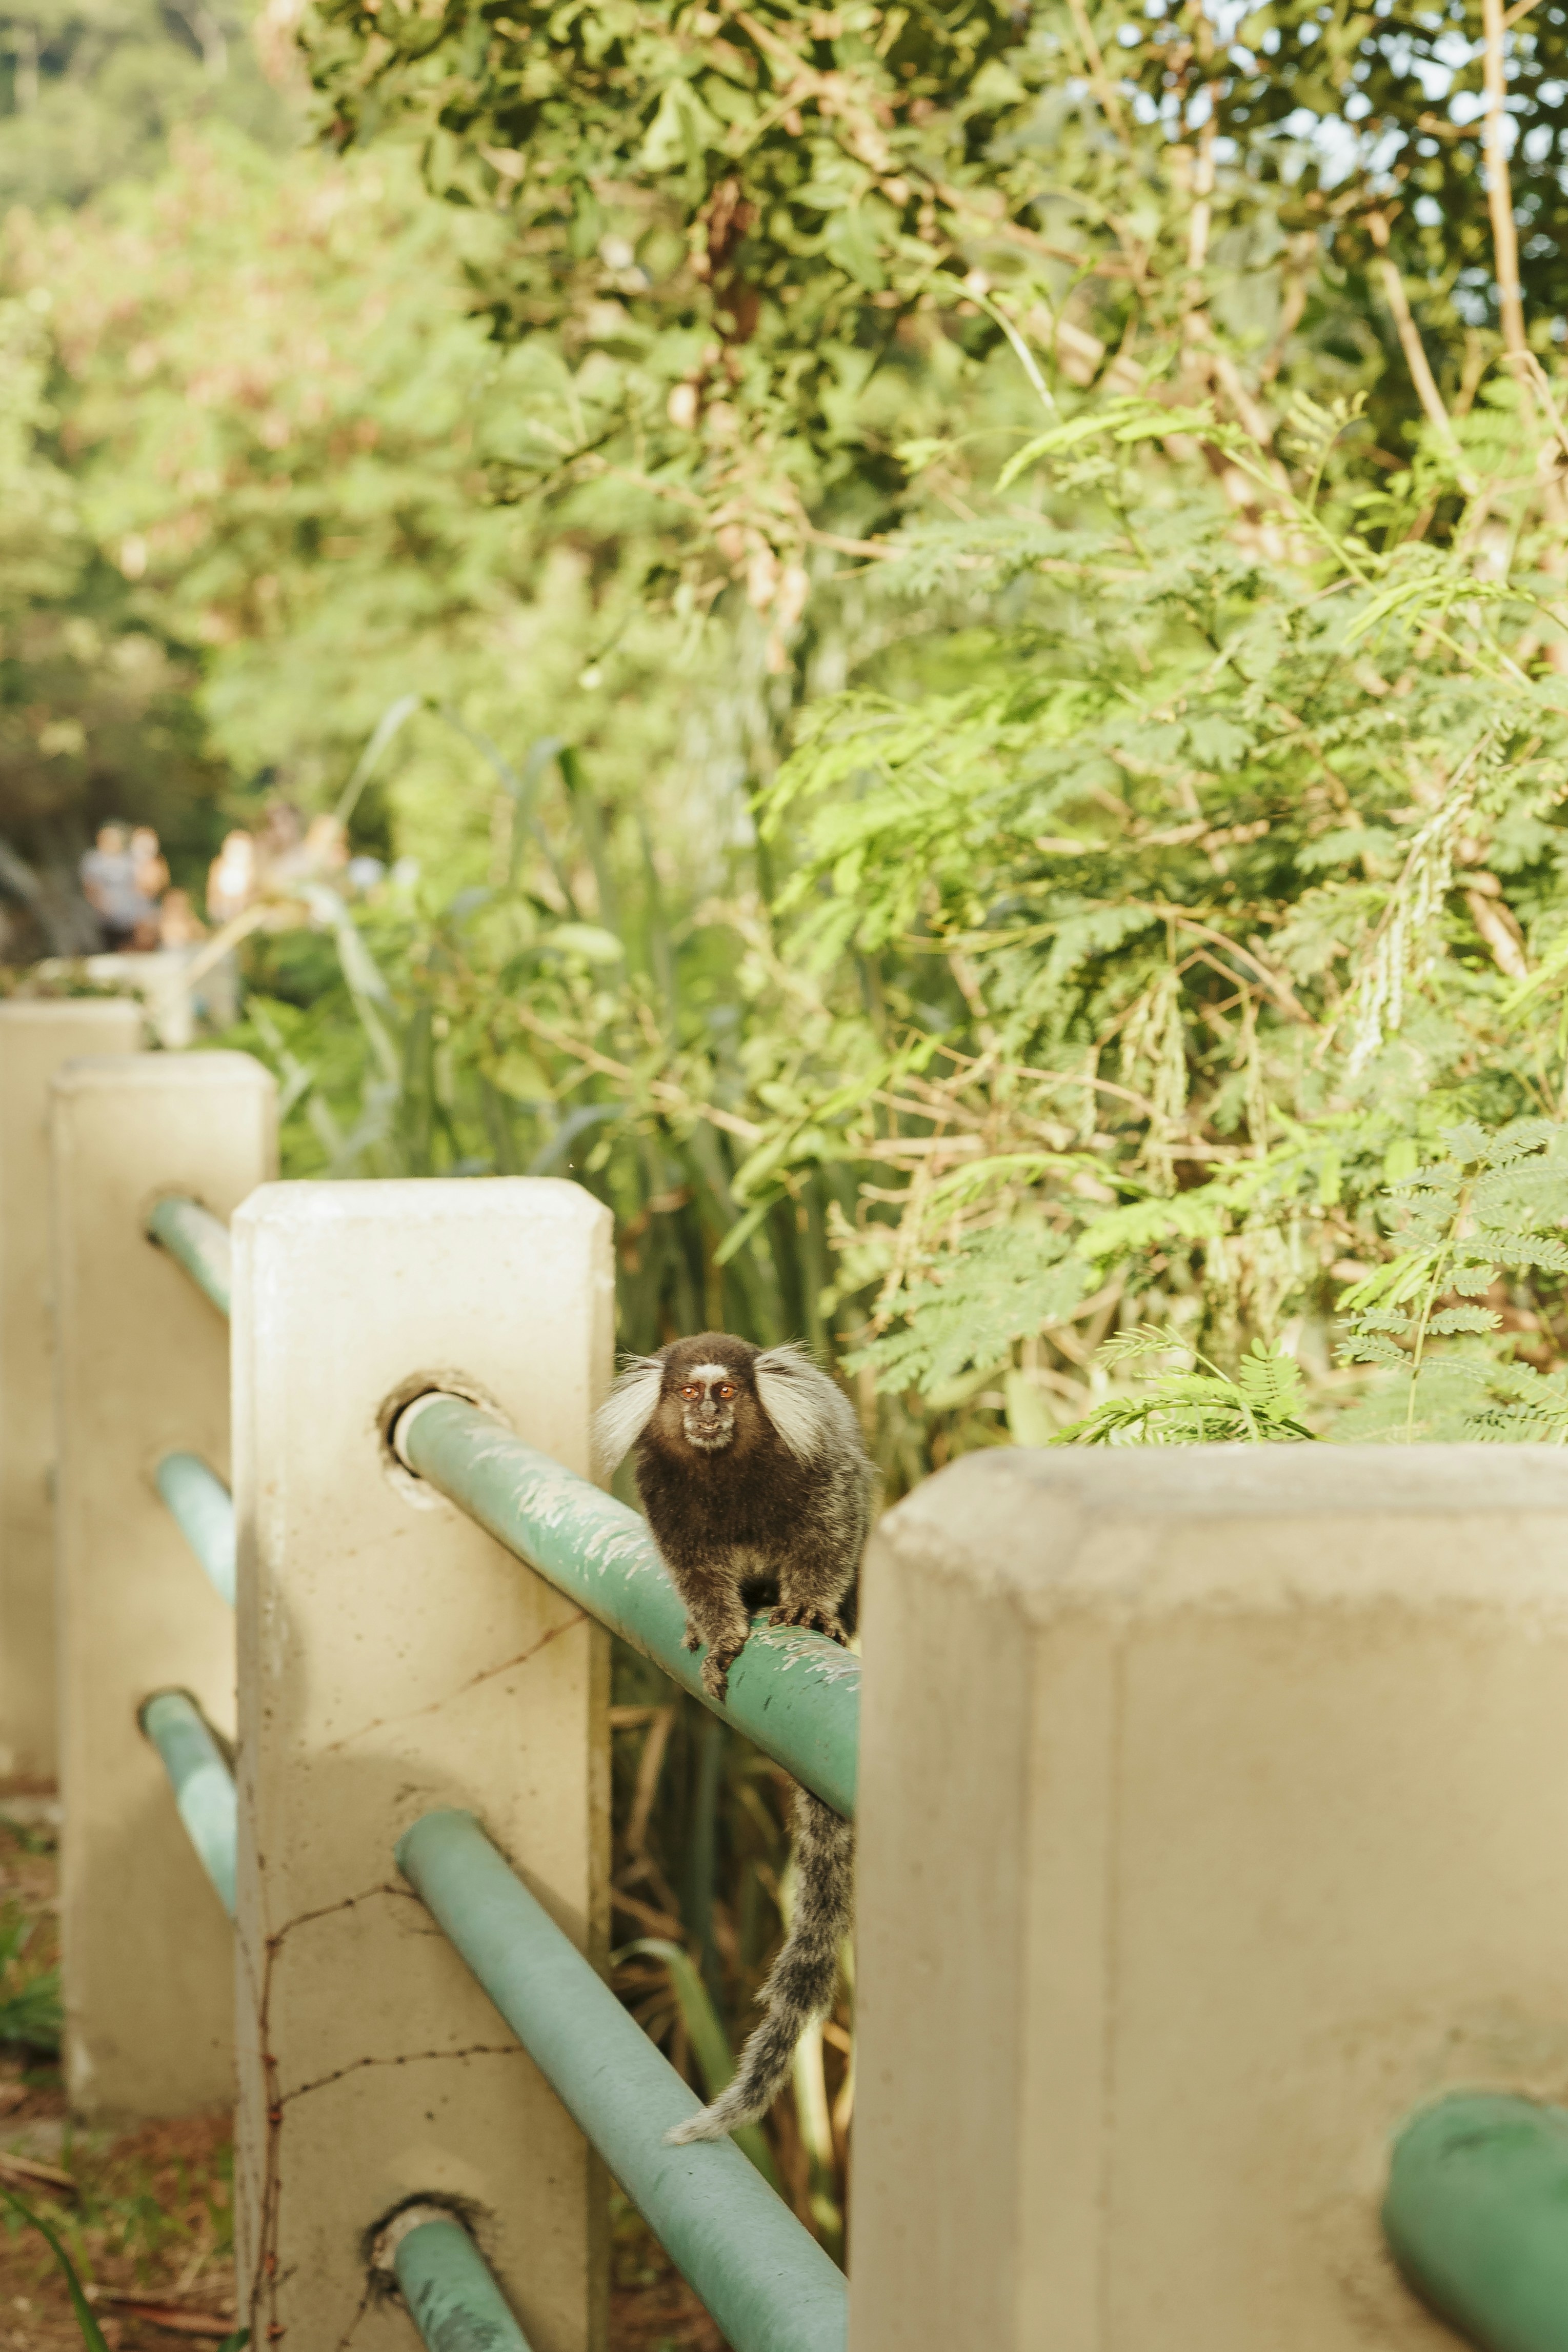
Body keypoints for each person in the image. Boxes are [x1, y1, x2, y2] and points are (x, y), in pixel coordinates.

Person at [79, 823, 157, 952]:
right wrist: (102, 907)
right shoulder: (94, 860)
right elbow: (91, 887)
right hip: (107, 915)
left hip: (131, 914)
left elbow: (139, 885)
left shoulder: (128, 859)